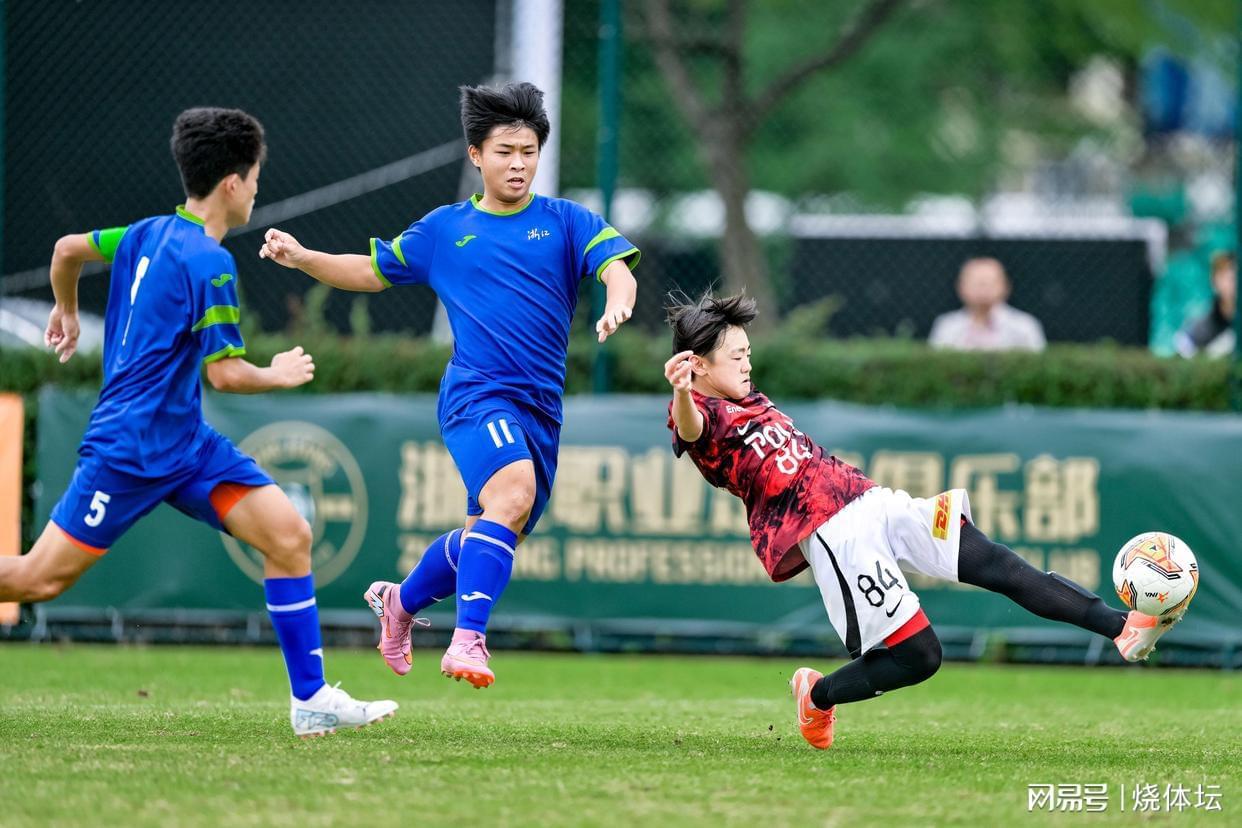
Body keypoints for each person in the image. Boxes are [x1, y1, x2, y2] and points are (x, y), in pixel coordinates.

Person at [0, 108, 397, 738]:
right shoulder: (209, 263)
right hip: (128, 450)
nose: (260, 188)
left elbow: (66, 250)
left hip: (185, 446)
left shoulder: (145, 232)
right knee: (34, 579)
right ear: (234, 184)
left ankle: (312, 698)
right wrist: (280, 371)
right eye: (258, 176)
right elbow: (226, 375)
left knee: (289, 536)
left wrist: (66, 309)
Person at [663, 292, 1185, 751]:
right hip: (834, 533)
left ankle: (1122, 628)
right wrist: (684, 392)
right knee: (920, 655)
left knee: (993, 562)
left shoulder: (746, 395)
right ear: (699, 366)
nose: (747, 364)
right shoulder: (699, 414)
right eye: (737, 356)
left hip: (870, 499)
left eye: (748, 353)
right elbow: (691, 427)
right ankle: (817, 695)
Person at [258, 82, 640, 689]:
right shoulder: (444, 231)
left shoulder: (567, 221)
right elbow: (370, 271)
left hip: (540, 408)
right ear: (475, 156)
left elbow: (616, 269)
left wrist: (617, 302)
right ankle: (468, 642)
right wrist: (305, 258)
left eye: (530, 150)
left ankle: (400, 605)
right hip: (475, 395)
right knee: (511, 494)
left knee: (490, 529)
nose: (519, 163)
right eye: (505, 150)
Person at [928, 257, 1046, 351]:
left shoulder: (1025, 326)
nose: (984, 287)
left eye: (990, 282)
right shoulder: (946, 327)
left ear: (1006, 287)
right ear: (960, 287)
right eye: (977, 282)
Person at [1173, 251, 1236, 357]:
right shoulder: (1196, 333)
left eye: (1235, 276)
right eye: (1226, 277)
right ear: (1214, 280)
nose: (1232, 283)